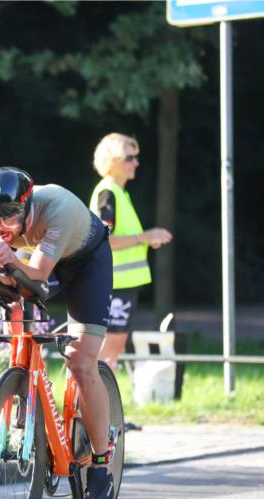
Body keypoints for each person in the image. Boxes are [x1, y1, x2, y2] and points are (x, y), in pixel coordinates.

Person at [0, 166, 115, 499]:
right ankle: (27, 399)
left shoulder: (57, 208)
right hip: (36, 258)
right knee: (15, 331)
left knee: (81, 360)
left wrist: (8, 260)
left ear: (26, 207)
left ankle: (100, 463)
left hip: (84, 262)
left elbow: (38, 275)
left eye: (7, 218)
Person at [89, 133, 172, 372]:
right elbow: (103, 240)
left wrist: (145, 241)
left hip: (120, 285)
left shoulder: (118, 192)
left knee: (108, 358)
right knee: (107, 359)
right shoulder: (109, 193)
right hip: (115, 285)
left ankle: (99, 408)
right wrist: (145, 237)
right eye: (130, 157)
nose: (136, 163)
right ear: (113, 161)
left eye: (136, 157)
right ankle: (97, 409)